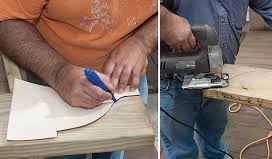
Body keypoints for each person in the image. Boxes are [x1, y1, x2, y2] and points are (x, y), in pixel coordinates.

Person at [0, 0, 158, 159]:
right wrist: (58, 73)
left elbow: (172, 15)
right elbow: (7, 19)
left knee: (113, 148)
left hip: (125, 85)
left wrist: (142, 41)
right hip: (52, 80)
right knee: (65, 153)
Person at [160, 0, 272, 159]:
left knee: (214, 132)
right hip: (172, 81)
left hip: (220, 76)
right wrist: (163, 18)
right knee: (180, 147)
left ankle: (217, 155)